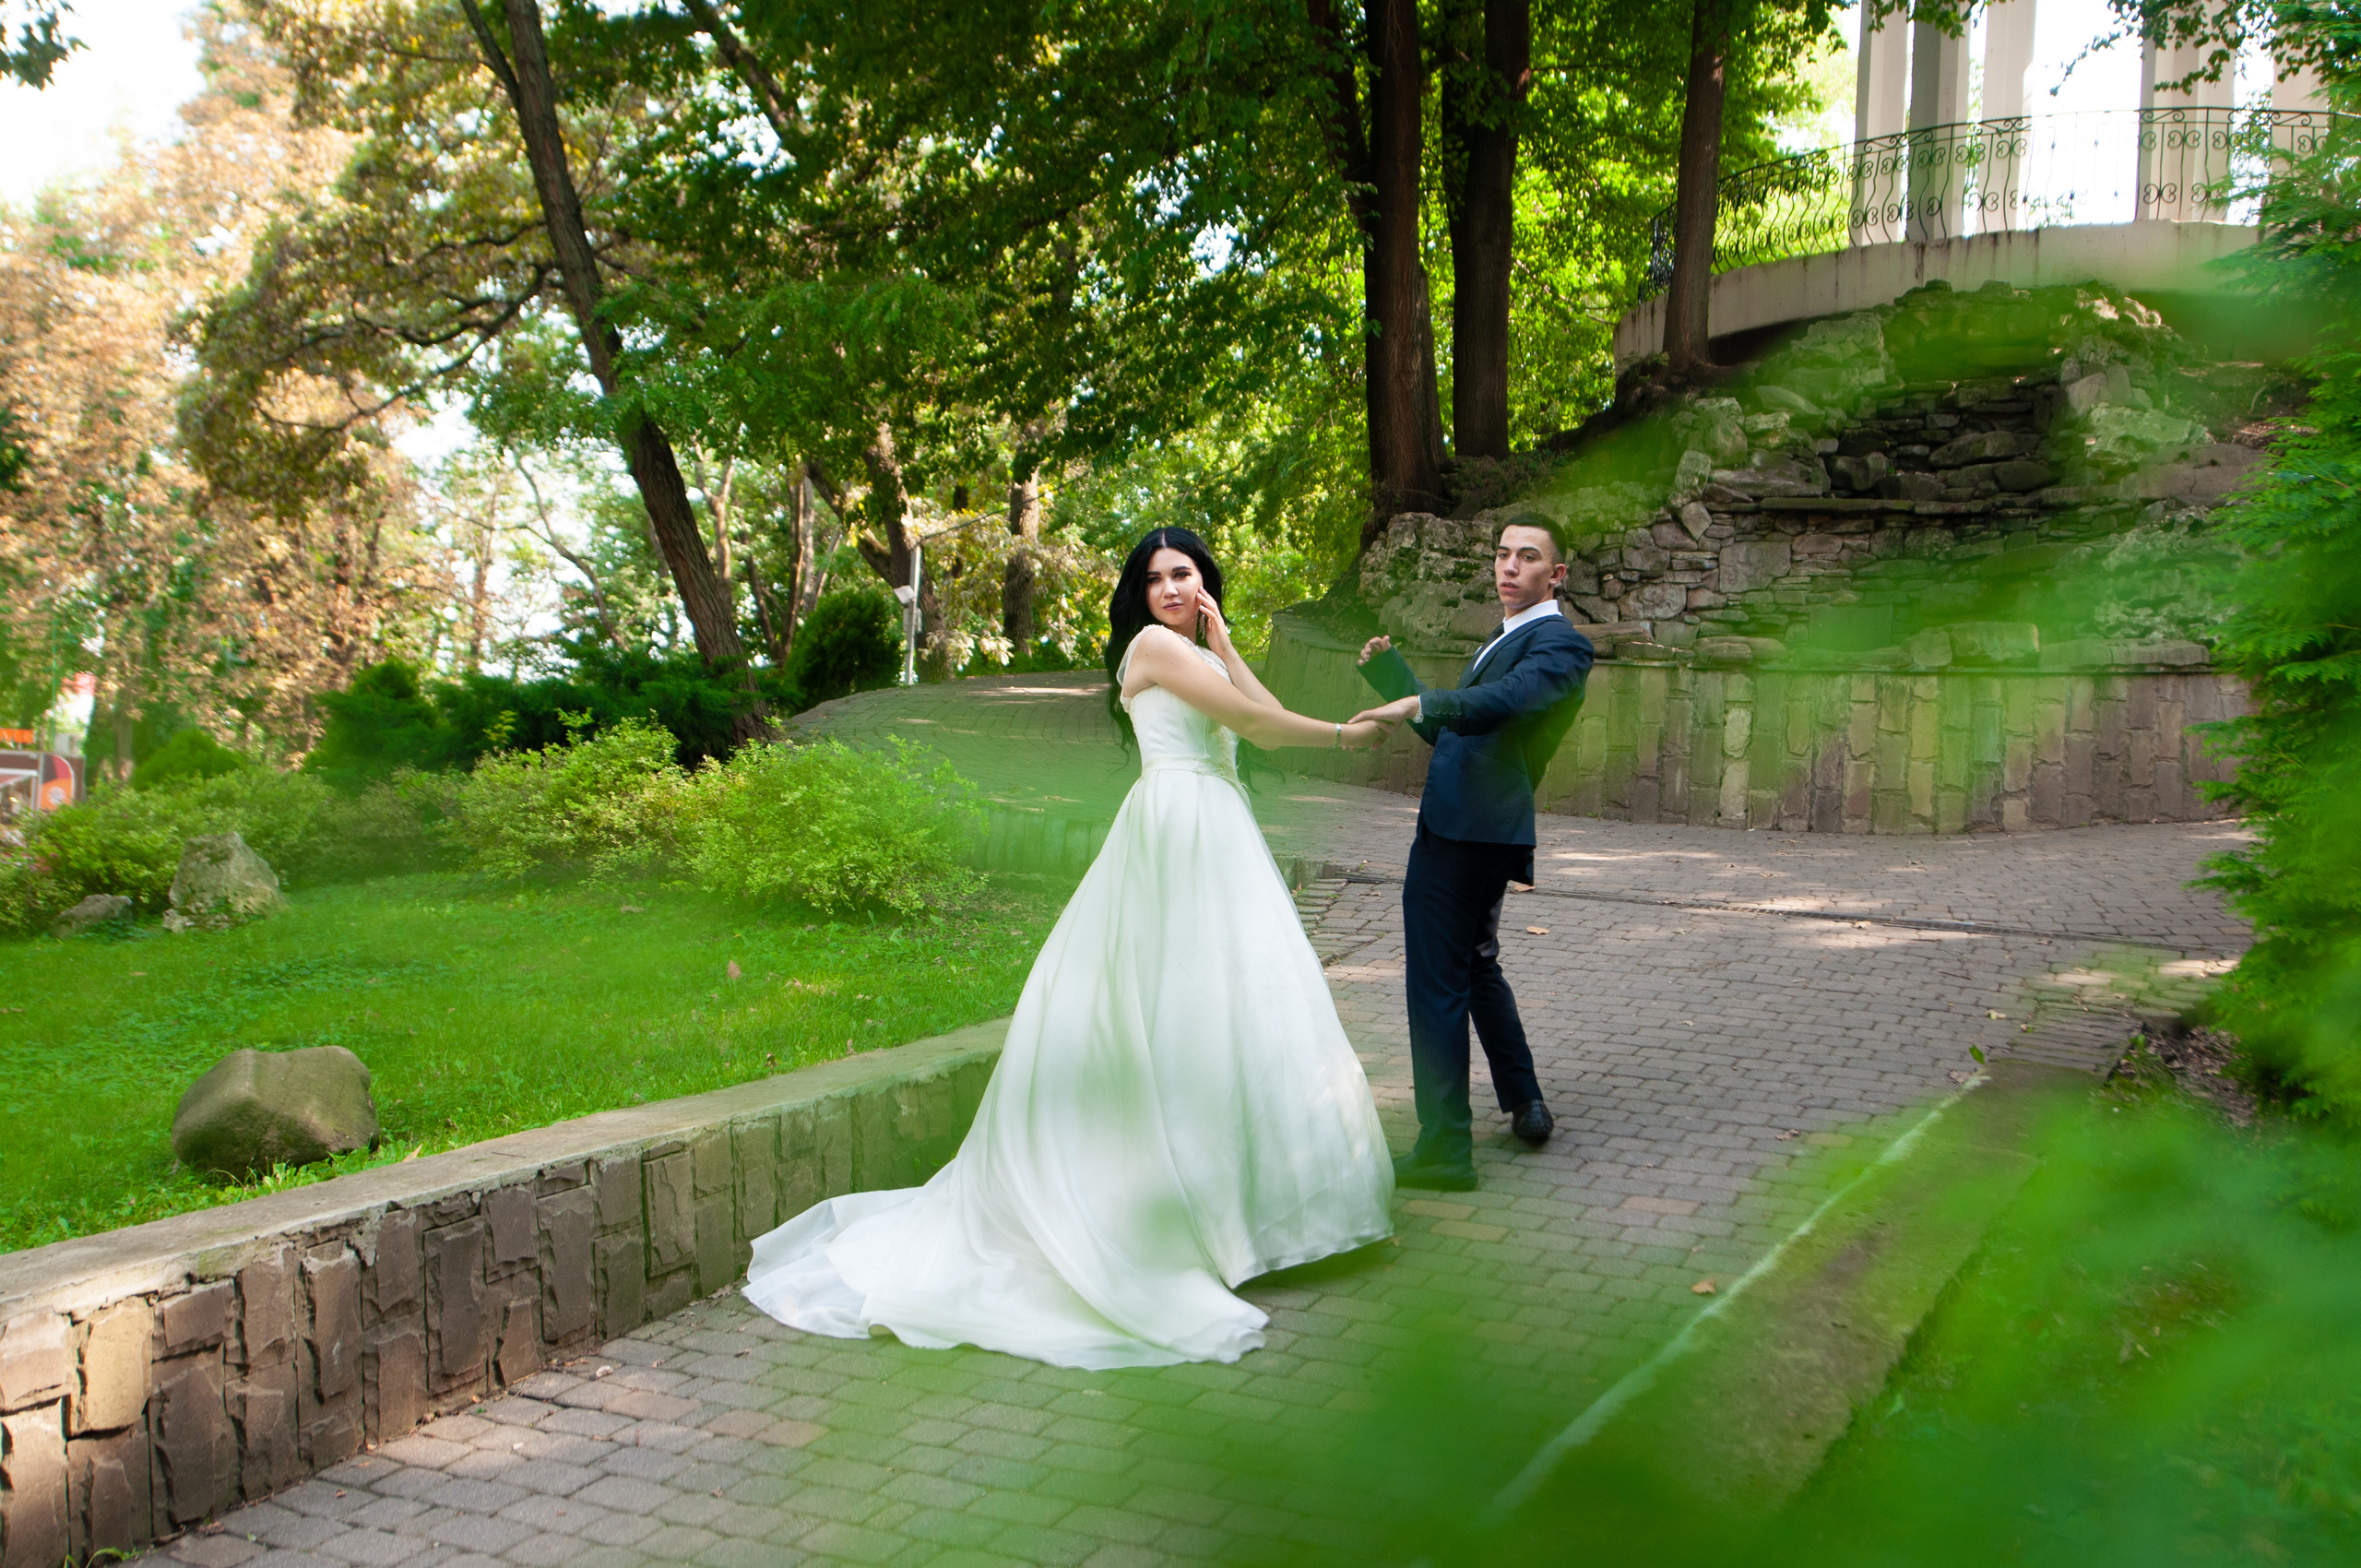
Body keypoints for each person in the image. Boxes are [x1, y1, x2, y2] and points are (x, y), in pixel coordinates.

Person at [743, 527, 1399, 1370]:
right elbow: (1261, 728)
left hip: (1219, 833)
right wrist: (1348, 735)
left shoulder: (1195, 646)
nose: (1170, 587)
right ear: (1139, 593)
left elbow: (1253, 709)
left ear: (1205, 582)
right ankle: (1188, 1223)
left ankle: (1253, 1220)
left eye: (1185, 574)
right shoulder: (1153, 648)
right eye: (1157, 577)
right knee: (1181, 1008)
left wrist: (1227, 636)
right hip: (1177, 833)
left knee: (1237, 1010)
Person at [1350, 512, 1594, 1192]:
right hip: (1468, 827)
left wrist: (1421, 700)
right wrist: (1396, 682)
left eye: (1527, 557)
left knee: (1436, 987)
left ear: (1557, 574)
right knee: (1475, 967)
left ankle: (1445, 1152)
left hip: (1468, 837)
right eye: (1502, 555)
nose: (1509, 567)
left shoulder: (1561, 646)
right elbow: (1461, 734)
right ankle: (1524, 1099)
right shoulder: (1502, 639)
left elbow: (1507, 703)